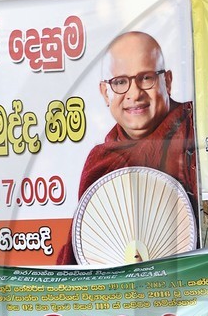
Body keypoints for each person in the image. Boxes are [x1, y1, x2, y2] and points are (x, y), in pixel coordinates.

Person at [58, 30, 197, 264]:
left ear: (168, 81)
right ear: (105, 93)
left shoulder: (195, 129)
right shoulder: (102, 160)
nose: (134, 94)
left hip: (192, 282)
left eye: (146, 78)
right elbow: (86, 245)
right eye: (120, 82)